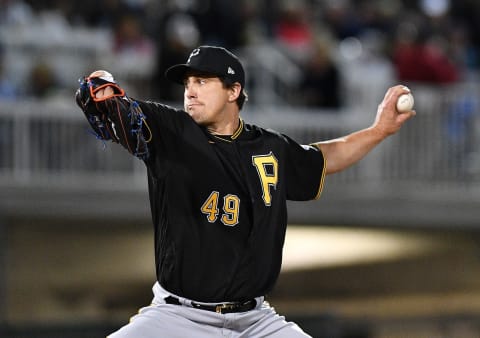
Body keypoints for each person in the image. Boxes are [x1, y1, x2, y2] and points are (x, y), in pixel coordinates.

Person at [75, 45, 415, 338]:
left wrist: (379, 131)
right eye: (188, 83)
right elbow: (115, 111)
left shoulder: (269, 147)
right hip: (177, 318)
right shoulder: (169, 132)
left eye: (203, 81)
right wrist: (101, 93)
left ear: (233, 90)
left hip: (256, 322)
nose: (190, 91)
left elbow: (326, 157)